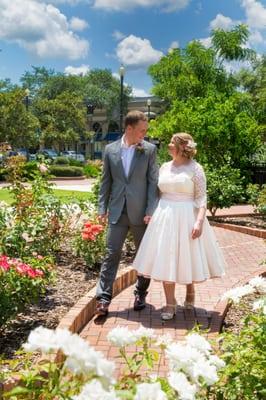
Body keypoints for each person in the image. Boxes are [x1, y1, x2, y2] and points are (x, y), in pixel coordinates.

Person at [133, 132, 226, 320]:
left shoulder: (196, 168)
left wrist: (199, 222)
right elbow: (157, 194)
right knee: (166, 257)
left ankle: (190, 291)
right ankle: (170, 303)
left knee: (186, 257)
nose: (168, 146)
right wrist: (151, 213)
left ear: (182, 148)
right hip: (164, 216)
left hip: (187, 216)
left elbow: (201, 198)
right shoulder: (165, 167)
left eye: (171, 144)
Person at [95, 110, 159, 316]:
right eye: (142, 130)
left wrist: (150, 210)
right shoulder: (110, 150)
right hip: (116, 212)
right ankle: (103, 299)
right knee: (111, 254)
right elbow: (106, 181)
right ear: (129, 128)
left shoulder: (149, 150)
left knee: (144, 255)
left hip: (141, 214)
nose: (144, 134)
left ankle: (140, 293)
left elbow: (152, 183)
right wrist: (101, 208)